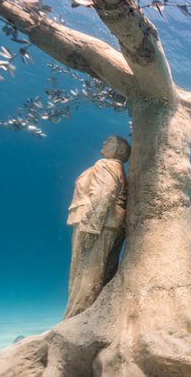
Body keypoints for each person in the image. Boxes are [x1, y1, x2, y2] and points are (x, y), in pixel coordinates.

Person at [64, 135, 131, 318]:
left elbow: (103, 194)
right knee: (101, 273)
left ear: (119, 150)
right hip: (111, 224)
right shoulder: (117, 168)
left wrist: (91, 227)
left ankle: (76, 319)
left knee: (85, 274)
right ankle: (98, 316)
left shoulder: (106, 164)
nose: (104, 143)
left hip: (97, 224)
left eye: (109, 141)